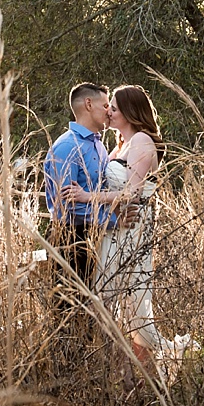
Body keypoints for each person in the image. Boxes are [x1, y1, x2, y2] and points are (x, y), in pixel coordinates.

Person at [61, 84, 196, 381]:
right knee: (109, 299)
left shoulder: (143, 142)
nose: (109, 112)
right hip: (114, 230)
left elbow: (132, 194)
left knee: (133, 302)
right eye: (108, 107)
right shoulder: (119, 145)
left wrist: (85, 197)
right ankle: (124, 375)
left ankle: (158, 360)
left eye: (115, 108)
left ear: (130, 113)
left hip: (134, 230)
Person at [43, 82, 132, 316]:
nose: (108, 111)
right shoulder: (66, 147)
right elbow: (69, 207)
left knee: (90, 313)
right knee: (68, 313)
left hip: (95, 237)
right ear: (88, 104)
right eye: (105, 105)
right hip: (71, 239)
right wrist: (114, 220)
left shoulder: (99, 146)